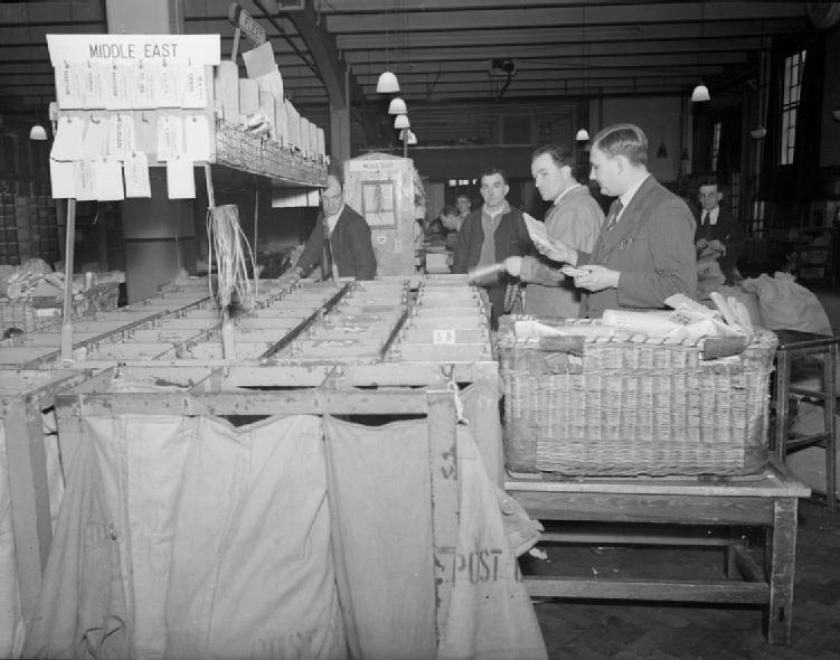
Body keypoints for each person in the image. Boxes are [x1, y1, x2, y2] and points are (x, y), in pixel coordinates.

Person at [534, 123, 696, 318]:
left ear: (619, 164)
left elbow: (680, 289)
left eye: (596, 167)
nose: (592, 176)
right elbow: (610, 265)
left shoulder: (666, 209)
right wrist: (570, 255)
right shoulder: (617, 206)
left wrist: (615, 280)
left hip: (636, 332)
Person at [504, 144, 604, 319]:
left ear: (565, 172)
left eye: (544, 174)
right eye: (535, 177)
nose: (537, 184)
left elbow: (565, 271)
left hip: (560, 316)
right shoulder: (569, 206)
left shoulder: (574, 210)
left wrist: (523, 267)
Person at [452, 168, 532, 327]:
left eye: (496, 185)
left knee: (501, 332)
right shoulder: (471, 220)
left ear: (506, 189)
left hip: (504, 290)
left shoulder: (519, 219)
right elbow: (460, 257)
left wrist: (521, 284)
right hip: (474, 288)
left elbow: (528, 254)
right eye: (486, 187)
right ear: (481, 191)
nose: (491, 192)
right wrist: (458, 287)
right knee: (473, 330)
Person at [293, 166, 377, 281]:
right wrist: (297, 272)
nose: (331, 205)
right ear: (320, 196)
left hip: (351, 287)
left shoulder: (356, 224)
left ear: (343, 192)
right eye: (326, 199)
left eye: (335, 198)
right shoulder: (322, 218)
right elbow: (313, 248)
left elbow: (367, 269)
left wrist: (354, 290)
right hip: (331, 285)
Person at [694, 176, 744, 284]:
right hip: (696, 274)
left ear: (719, 196)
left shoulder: (730, 220)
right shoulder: (692, 219)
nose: (706, 199)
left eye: (711, 195)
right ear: (698, 198)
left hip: (724, 273)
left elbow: (741, 245)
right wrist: (695, 246)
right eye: (703, 196)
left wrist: (723, 247)